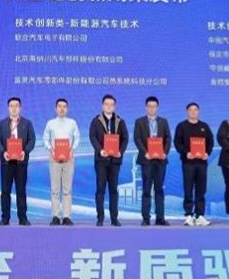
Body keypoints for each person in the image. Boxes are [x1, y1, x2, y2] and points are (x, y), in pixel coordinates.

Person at [0, 97, 36, 226]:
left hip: (21, 162)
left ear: (20, 108)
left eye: (16, 106)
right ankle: (5, 218)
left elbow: (32, 140)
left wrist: (25, 151)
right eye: (11, 106)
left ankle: (22, 218)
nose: (14, 108)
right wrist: (3, 152)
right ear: (8, 108)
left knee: (21, 190)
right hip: (6, 162)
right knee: (5, 191)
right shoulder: (1, 124)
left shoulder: (27, 123)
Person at [89, 94, 129, 227]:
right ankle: (100, 218)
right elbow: (92, 137)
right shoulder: (96, 121)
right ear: (102, 106)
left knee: (113, 190)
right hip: (101, 160)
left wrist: (120, 151)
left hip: (115, 161)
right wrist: (100, 150)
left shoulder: (120, 121)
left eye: (111, 104)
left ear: (114, 106)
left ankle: (114, 218)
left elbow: (125, 138)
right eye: (106, 104)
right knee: (100, 189)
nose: (109, 106)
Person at [173, 102, 214, 226]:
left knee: (201, 189)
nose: (193, 112)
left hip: (202, 163)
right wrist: (186, 153)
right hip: (188, 163)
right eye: (191, 110)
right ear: (187, 112)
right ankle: (188, 215)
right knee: (188, 188)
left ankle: (200, 215)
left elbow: (210, 142)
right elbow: (177, 143)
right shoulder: (182, 126)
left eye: (195, 109)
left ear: (199, 111)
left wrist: (207, 153)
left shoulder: (204, 126)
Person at [133, 96, 171, 226]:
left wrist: (164, 153)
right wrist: (145, 153)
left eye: (154, 106)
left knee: (159, 190)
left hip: (160, 160)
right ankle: (146, 218)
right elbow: (137, 139)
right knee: (146, 190)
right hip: (147, 160)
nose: (152, 108)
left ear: (157, 108)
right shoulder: (139, 122)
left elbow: (168, 138)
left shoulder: (163, 121)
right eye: (149, 106)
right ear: (146, 107)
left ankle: (160, 218)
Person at [42, 98, 80, 226]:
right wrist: (51, 150)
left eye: (64, 106)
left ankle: (67, 216)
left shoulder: (72, 123)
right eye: (59, 106)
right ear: (56, 109)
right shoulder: (50, 123)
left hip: (69, 158)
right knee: (55, 189)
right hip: (54, 158)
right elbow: (45, 139)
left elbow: (77, 138)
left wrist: (72, 150)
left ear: (67, 109)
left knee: (67, 189)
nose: (62, 109)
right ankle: (55, 216)